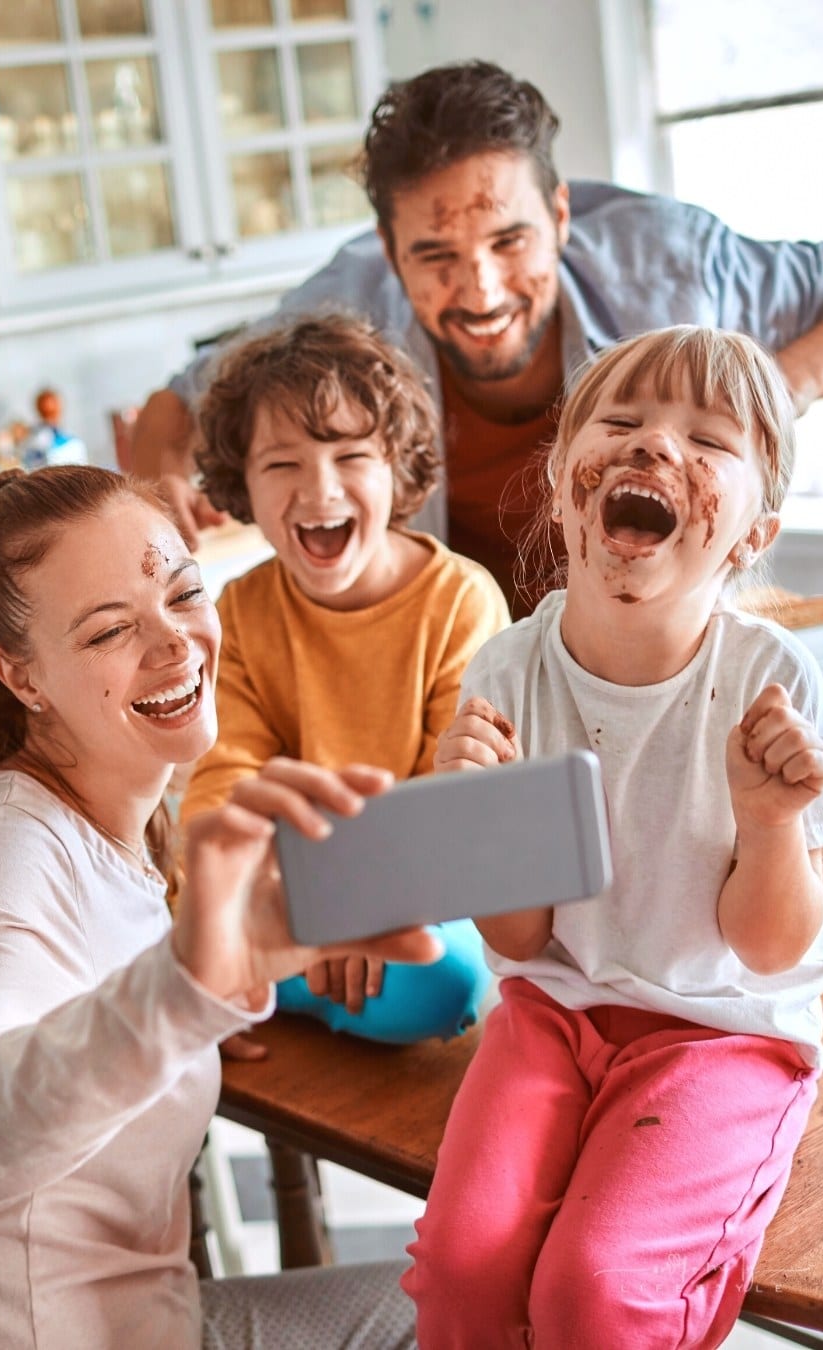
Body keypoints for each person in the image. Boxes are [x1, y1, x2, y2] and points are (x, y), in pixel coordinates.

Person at [400, 326, 823, 1348]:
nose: (655, 448)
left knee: (591, 1293)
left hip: (725, 1036)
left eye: (707, 439)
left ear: (750, 533)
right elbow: (517, 939)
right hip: (555, 1012)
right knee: (465, 1272)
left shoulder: (767, 682)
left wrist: (771, 820)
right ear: (562, 485)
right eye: (625, 422)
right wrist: (478, 823)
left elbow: (774, 952)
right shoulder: (506, 674)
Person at [0, 464, 441, 1350]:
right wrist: (180, 995)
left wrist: (215, 981)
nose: (175, 643)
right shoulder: (11, 850)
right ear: (22, 679)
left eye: (182, 592)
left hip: (161, 1323)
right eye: (108, 632)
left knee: (480, 1292)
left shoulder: (109, 813)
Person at [130, 60, 823, 618]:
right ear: (389, 247)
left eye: (511, 241)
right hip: (462, 674)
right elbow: (178, 402)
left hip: (663, 658)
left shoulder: (668, 261)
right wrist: (160, 492)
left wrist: (779, 388)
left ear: (560, 215)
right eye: (436, 256)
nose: (482, 291)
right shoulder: (347, 301)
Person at [180, 312, 510, 1046]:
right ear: (242, 487)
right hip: (284, 895)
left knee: (443, 977)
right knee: (147, 928)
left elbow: (451, 802)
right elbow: (221, 783)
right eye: (281, 463)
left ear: (399, 467)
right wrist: (295, 909)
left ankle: (254, 988)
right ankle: (255, 981)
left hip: (414, 897)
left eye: (350, 454)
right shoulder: (241, 609)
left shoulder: (460, 600)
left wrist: (361, 904)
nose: (317, 488)